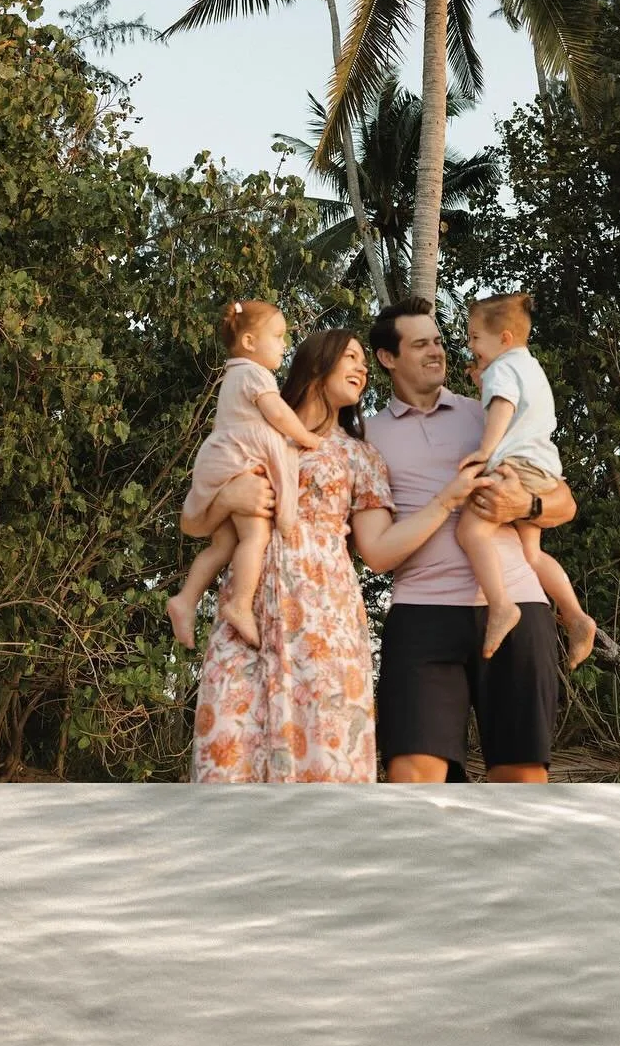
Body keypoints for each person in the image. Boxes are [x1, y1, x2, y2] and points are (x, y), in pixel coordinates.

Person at [183, 327, 481, 782]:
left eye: (366, 361)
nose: (362, 368)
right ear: (317, 362)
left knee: (325, 761)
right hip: (247, 620)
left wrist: (446, 501)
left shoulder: (360, 456)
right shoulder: (254, 432)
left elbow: (378, 553)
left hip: (324, 621)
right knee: (228, 756)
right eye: (352, 357)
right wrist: (230, 499)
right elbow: (194, 523)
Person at [366, 297, 577, 784]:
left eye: (438, 340)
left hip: (518, 604)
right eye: (420, 344)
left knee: (521, 781)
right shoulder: (366, 437)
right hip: (422, 614)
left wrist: (525, 507)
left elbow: (564, 501)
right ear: (388, 358)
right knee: (414, 782)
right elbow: (376, 554)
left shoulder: (489, 411)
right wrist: (445, 502)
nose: (437, 351)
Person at [167, 299, 323, 650]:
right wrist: (306, 437)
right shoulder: (254, 374)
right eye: (279, 336)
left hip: (222, 463)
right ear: (250, 342)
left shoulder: (233, 375)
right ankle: (239, 604)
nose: (284, 345)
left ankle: (185, 599)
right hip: (240, 466)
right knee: (256, 535)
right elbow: (279, 415)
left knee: (223, 544)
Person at [457, 292, 597, 667]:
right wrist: (483, 380)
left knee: (470, 532)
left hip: (514, 466)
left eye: (474, 338)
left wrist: (485, 452)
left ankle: (501, 605)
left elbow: (503, 406)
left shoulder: (503, 370)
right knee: (531, 554)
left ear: (503, 338)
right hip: (542, 469)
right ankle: (576, 616)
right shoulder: (528, 366)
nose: (471, 346)